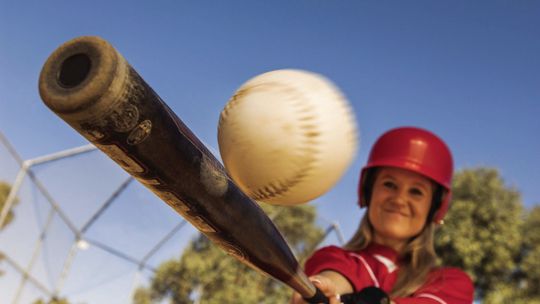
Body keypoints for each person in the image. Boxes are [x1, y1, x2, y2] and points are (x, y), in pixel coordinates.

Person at [291, 127, 474, 304]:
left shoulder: (450, 282)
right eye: (389, 184)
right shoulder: (334, 257)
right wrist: (325, 290)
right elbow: (335, 276)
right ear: (368, 191)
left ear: (435, 208)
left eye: (416, 191)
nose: (399, 199)